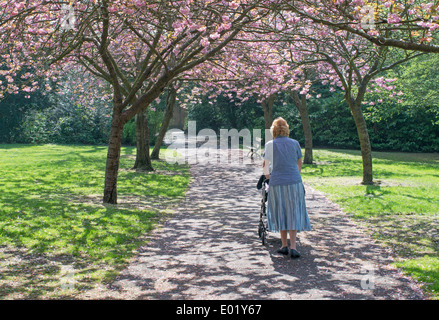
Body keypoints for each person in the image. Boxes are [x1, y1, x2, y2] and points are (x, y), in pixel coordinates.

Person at [262, 117, 311, 259]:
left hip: (277, 182)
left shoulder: (270, 145)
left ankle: (284, 245)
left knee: (281, 211)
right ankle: (293, 247)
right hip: (294, 182)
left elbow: (265, 166)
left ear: (274, 130)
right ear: (286, 129)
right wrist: (294, 175)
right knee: (293, 212)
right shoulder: (295, 143)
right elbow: (299, 162)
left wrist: (269, 178)